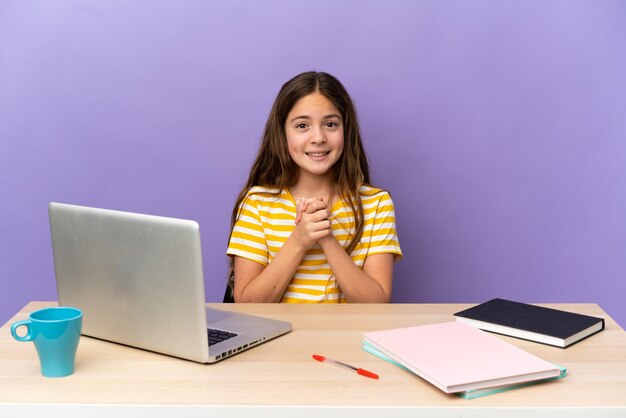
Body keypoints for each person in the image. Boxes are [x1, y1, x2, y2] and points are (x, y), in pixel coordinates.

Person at [226, 71, 402, 303]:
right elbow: (247, 305)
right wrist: (299, 240)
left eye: (330, 124)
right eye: (302, 126)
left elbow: (376, 304)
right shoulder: (257, 203)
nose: (318, 137)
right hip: (281, 339)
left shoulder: (376, 204)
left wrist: (327, 239)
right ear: (282, 133)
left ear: (346, 131)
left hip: (346, 339)